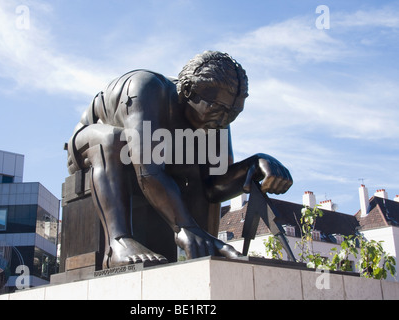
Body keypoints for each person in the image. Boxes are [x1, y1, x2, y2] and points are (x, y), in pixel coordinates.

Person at [67, 51, 293, 268]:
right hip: (87, 143)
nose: (223, 121)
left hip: (150, 154)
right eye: (217, 109)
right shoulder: (147, 89)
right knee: (114, 140)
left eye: (233, 113)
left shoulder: (218, 118)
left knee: (191, 163)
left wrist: (253, 167)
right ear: (186, 90)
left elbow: (214, 186)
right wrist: (184, 226)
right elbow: (149, 171)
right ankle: (117, 244)